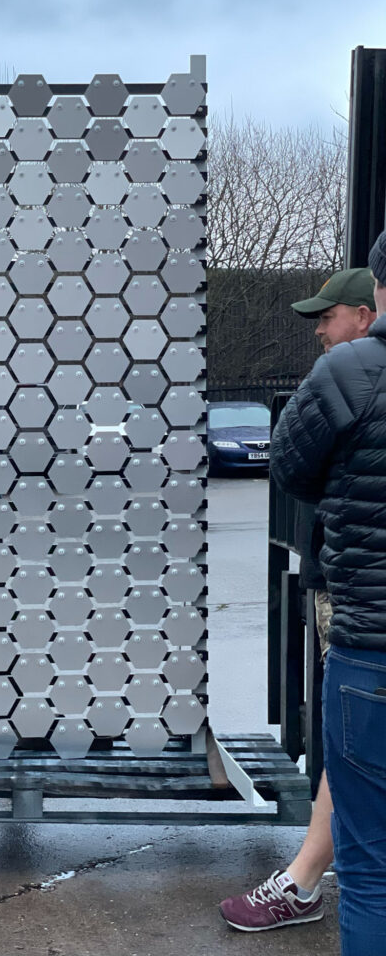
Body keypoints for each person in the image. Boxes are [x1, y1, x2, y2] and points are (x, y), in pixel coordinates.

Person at [219, 266, 377, 933]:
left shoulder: (351, 374)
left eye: (329, 317)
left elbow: (288, 466)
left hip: (366, 620)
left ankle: (305, 881)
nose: (319, 331)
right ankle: (305, 876)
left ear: (367, 314)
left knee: (357, 764)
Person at [265, 237, 386, 956]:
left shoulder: (352, 370)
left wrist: (344, 499)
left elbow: (290, 466)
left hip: (371, 651)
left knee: (370, 869)